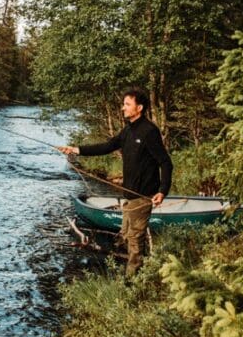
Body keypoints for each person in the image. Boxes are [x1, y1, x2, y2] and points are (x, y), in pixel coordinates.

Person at [59, 87, 172, 278]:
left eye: (127, 104)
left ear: (140, 108)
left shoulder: (149, 131)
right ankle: (133, 274)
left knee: (135, 242)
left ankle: (132, 284)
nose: (123, 108)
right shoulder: (128, 130)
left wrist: (163, 190)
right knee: (126, 237)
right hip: (128, 196)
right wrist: (76, 149)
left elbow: (165, 162)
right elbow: (107, 146)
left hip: (143, 197)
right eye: (123, 104)